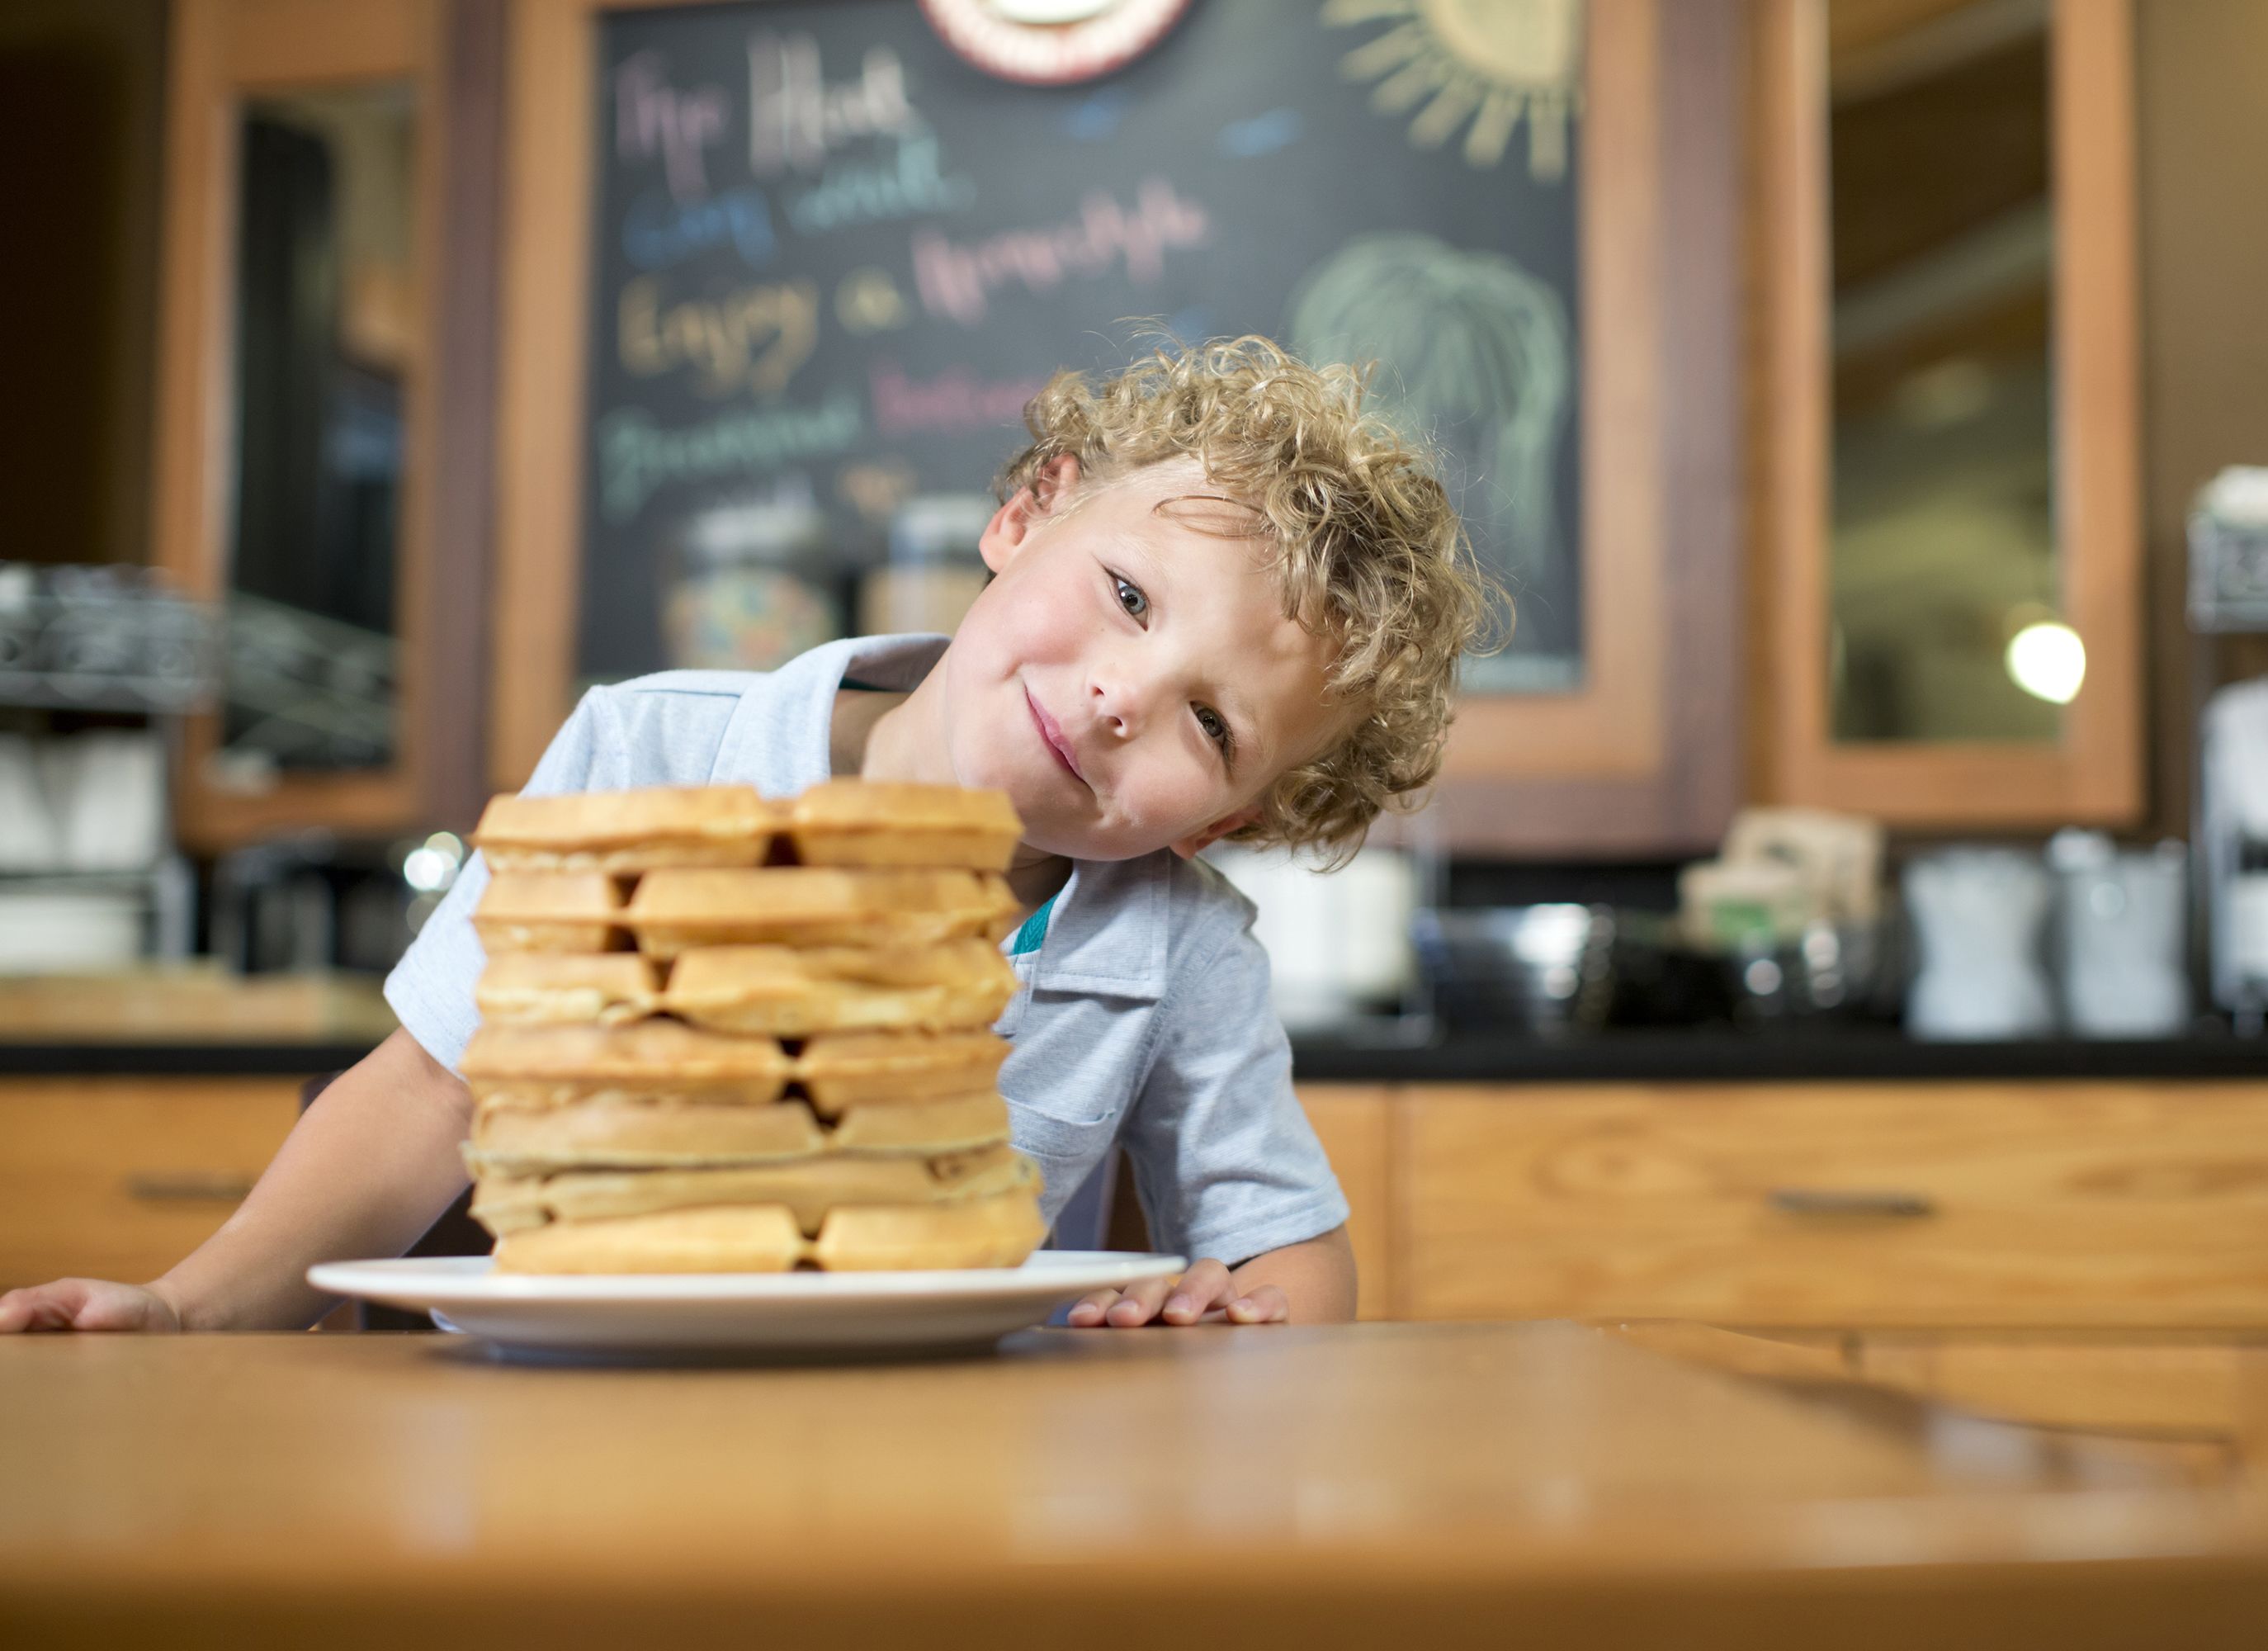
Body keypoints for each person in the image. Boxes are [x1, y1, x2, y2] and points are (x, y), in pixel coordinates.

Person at [0, 337, 1499, 1335]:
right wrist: (186, 1313)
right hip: (559, 1444)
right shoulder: (652, 748)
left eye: (1211, 724)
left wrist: (1238, 1314)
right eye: (1126, 595)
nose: (1120, 697)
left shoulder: (1178, 949)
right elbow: (427, 1092)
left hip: (952, 1490)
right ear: (1031, 513)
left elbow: (1287, 1244)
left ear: (1229, 819)